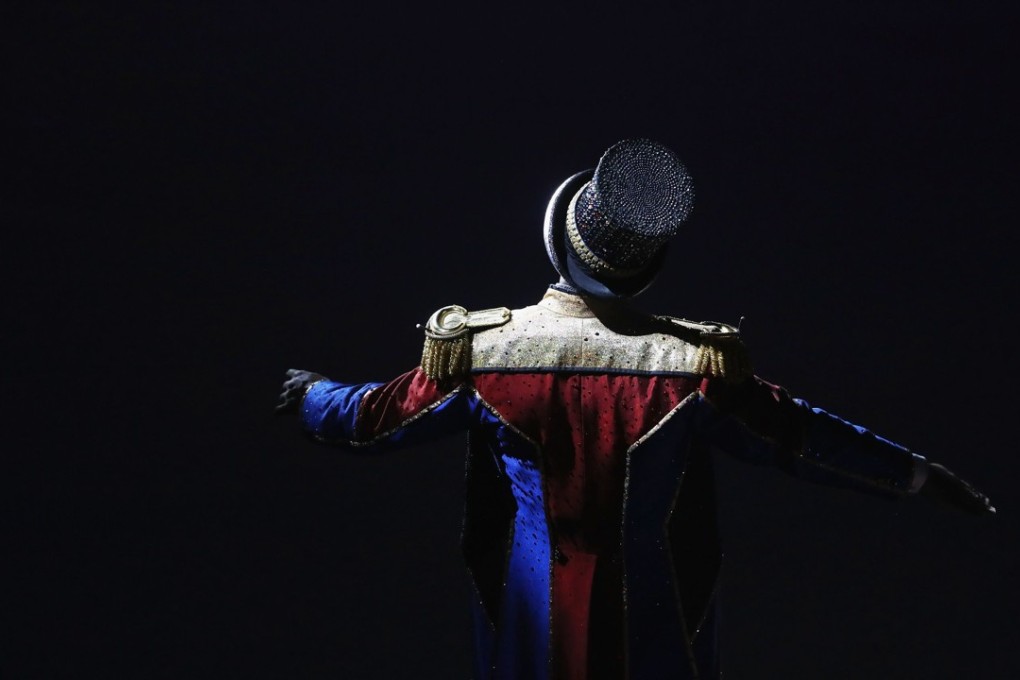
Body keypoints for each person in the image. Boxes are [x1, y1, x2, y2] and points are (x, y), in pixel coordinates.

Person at [276, 138, 993, 680]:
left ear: (561, 242)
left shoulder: (485, 354)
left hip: (534, 617)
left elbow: (376, 418)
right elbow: (800, 436)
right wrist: (917, 475)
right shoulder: (691, 368)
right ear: (641, 268)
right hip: (658, 619)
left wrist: (310, 395)